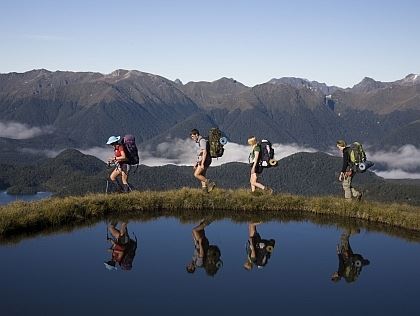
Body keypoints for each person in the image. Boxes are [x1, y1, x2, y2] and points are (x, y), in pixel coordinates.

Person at [190, 129, 216, 193]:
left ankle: (210, 183)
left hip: (205, 160)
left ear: (197, 135)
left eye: (193, 136)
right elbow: (201, 153)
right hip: (205, 160)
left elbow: (204, 152)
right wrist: (196, 163)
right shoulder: (201, 141)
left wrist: (202, 164)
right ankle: (205, 191)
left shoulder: (202, 141)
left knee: (196, 174)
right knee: (202, 175)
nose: (192, 138)